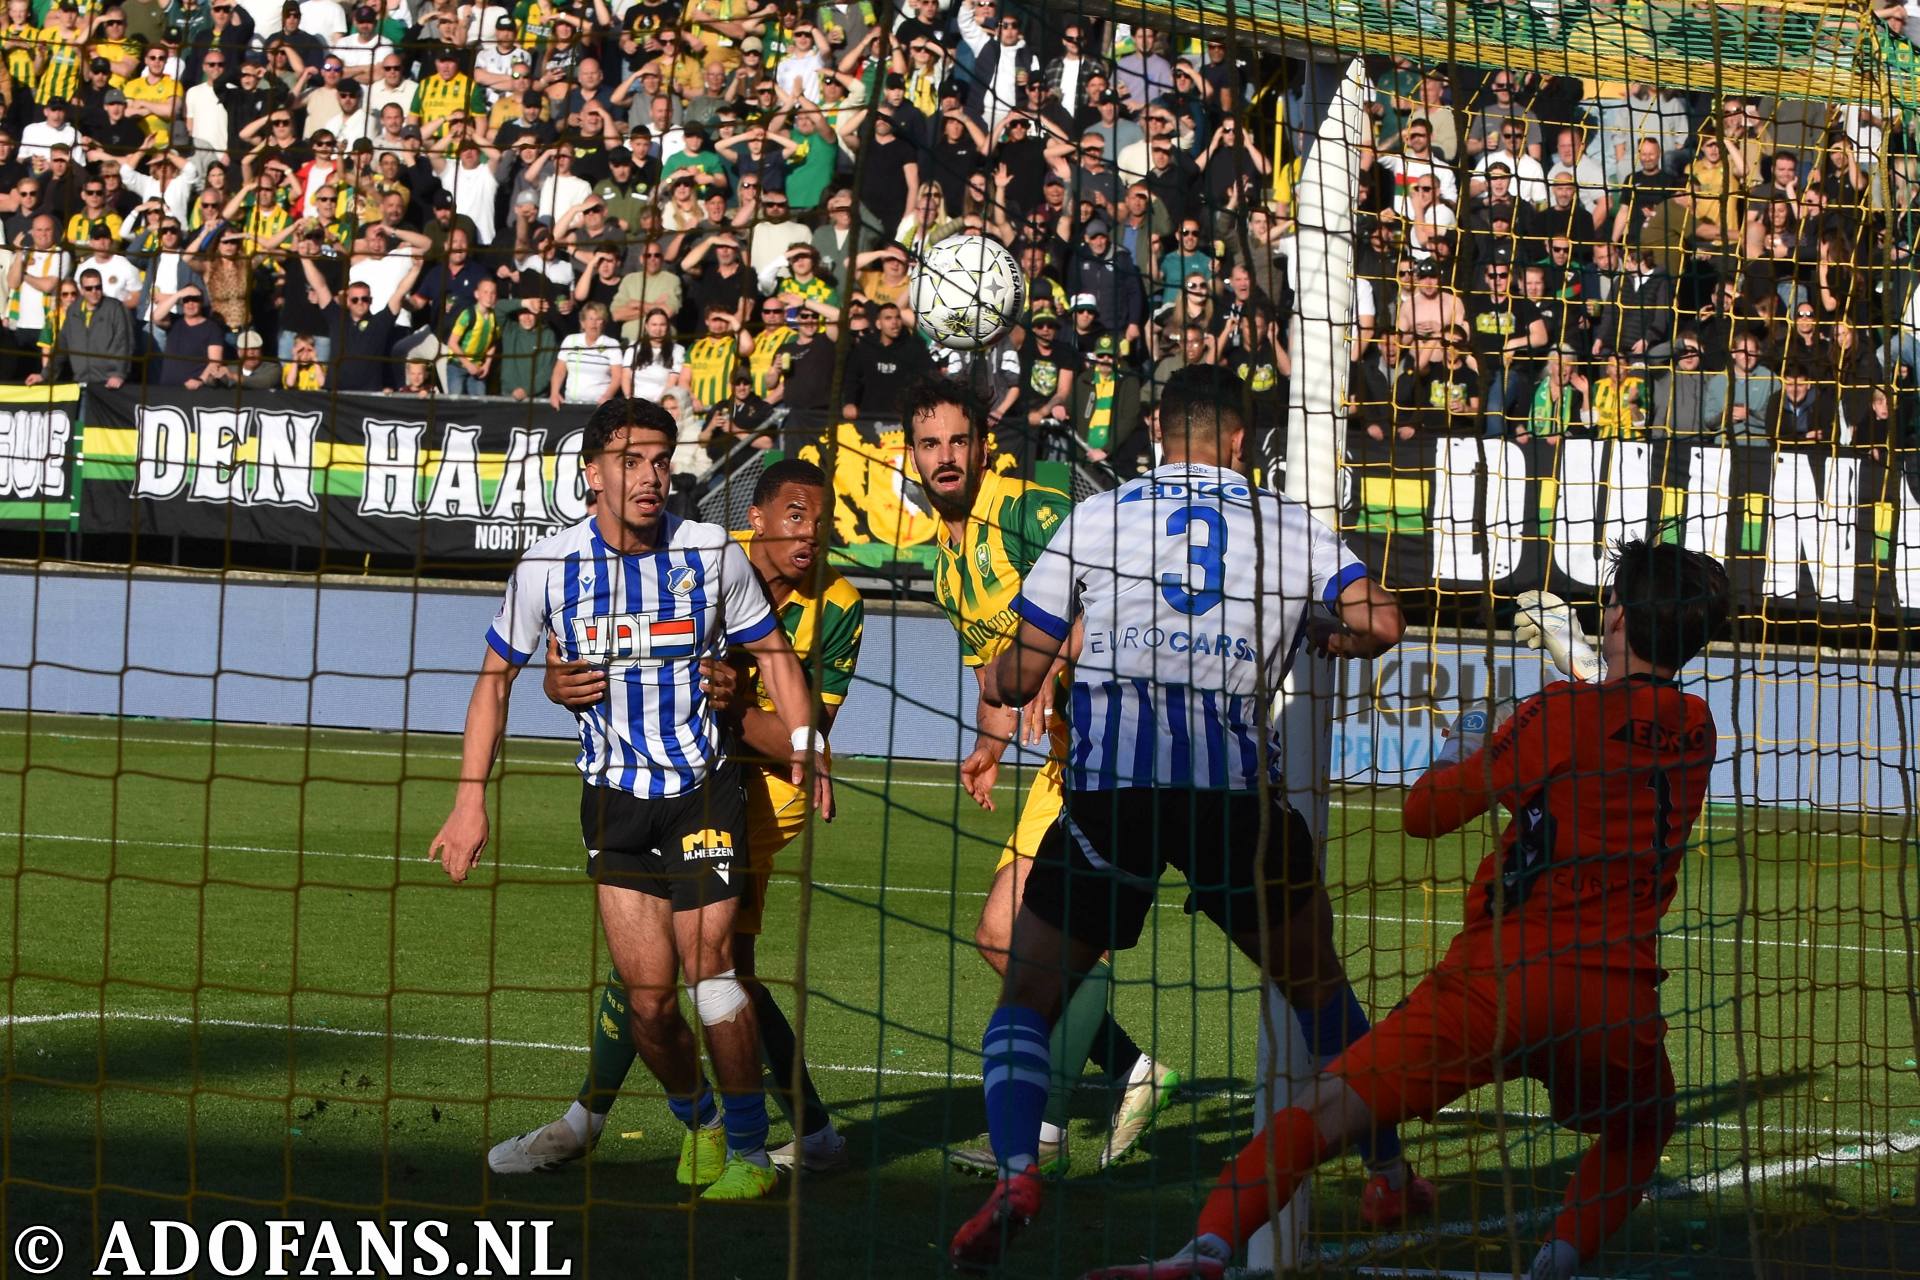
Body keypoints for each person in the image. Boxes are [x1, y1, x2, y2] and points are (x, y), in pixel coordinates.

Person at [1086, 539, 1731, 1280]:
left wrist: (1466, 742)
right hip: (1617, 1001)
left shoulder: (1559, 712)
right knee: (1642, 1129)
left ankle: (1204, 1251)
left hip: (1502, 981)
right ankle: (1557, 1261)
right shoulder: (1698, 728)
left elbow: (1426, 813)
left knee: (1325, 1109)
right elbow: (1623, 723)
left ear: (1616, 616)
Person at [948, 363, 1417, 1270]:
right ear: (1241, 440)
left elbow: (1020, 671)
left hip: (1111, 796)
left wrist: (1001, 679)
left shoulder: (1096, 515)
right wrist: (1330, 633)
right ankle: (1390, 1169)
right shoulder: (1290, 526)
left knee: (1028, 998)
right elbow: (1385, 624)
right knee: (1318, 990)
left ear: (1158, 428)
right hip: (1231, 803)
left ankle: (1015, 1172)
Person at [429, 397, 832, 1203]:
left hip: (702, 789)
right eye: (630, 460)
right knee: (648, 1005)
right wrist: (469, 799)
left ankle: (752, 1153)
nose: (650, 476)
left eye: (659, 459)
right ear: (592, 474)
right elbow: (492, 684)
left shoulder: (711, 552)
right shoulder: (547, 569)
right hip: (614, 797)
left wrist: (804, 744)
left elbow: (777, 656)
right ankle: (702, 1122)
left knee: (712, 974)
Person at [900, 373, 1179, 1186]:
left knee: (1012, 936)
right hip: (1064, 759)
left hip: (1111, 748)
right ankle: (1128, 1073)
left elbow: (1105, 588)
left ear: (984, 445)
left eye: (959, 441)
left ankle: (1048, 1127)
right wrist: (989, 745)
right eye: (930, 445)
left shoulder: (1028, 508)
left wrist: (1058, 658)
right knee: (1007, 940)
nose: (946, 458)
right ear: (910, 457)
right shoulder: (945, 560)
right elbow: (993, 669)